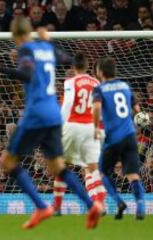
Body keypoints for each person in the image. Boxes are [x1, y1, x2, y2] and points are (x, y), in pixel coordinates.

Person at [0, 17, 102, 229]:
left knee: (7, 162)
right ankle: (91, 204)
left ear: (15, 36)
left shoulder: (26, 49)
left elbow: (27, 74)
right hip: (54, 114)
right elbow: (67, 59)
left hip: (36, 114)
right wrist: (49, 42)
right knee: (57, 167)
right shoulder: (45, 47)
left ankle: (41, 206)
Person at [53, 53, 106, 215]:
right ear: (88, 66)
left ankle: (57, 207)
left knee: (61, 165)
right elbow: (99, 107)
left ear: (73, 67)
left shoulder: (70, 81)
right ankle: (100, 204)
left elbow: (68, 104)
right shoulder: (96, 82)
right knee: (92, 168)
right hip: (90, 127)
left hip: (73, 125)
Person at [92, 57, 146, 220]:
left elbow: (96, 107)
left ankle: (118, 201)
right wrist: (144, 122)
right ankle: (141, 205)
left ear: (100, 72)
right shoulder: (125, 86)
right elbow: (137, 110)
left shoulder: (99, 89)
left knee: (102, 172)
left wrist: (95, 127)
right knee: (133, 175)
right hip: (130, 136)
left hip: (113, 138)